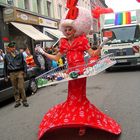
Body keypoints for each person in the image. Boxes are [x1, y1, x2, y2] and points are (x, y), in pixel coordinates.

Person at [37, 6, 121, 140]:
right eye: (66, 29)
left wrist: (101, 45)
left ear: (76, 28)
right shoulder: (63, 43)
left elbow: (93, 54)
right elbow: (57, 58)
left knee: (79, 97)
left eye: (70, 29)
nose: (68, 31)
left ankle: (82, 123)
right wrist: (44, 53)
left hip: (81, 73)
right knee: (71, 97)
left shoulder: (82, 40)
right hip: (70, 73)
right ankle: (73, 120)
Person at [3, 41, 29, 108]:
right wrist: (5, 76)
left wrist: (25, 72)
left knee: (21, 87)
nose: (13, 48)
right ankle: (17, 101)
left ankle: (24, 101)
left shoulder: (20, 54)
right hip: (12, 73)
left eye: (14, 47)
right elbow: (5, 66)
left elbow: (24, 63)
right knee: (15, 88)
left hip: (19, 72)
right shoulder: (6, 56)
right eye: (12, 47)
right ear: (9, 48)